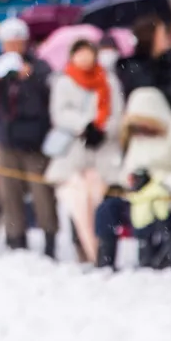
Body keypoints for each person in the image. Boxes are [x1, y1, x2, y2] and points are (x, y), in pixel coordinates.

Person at [0, 18, 58, 257]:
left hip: (35, 139)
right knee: (8, 192)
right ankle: (15, 238)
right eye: (8, 44)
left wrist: (30, 78)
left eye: (17, 43)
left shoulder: (40, 66)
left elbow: (49, 96)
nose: (12, 48)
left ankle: (49, 238)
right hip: (4, 138)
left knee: (42, 192)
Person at [93, 87, 171, 270]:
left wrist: (158, 183)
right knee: (106, 210)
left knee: (150, 210)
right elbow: (127, 170)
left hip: (165, 200)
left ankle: (150, 260)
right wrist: (132, 179)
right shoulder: (137, 135)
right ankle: (105, 262)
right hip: (137, 198)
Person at [45, 39, 125, 265]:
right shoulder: (64, 82)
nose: (84, 58)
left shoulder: (108, 80)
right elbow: (59, 113)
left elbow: (118, 113)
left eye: (88, 53)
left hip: (104, 152)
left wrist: (102, 130)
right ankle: (81, 248)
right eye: (80, 54)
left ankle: (104, 253)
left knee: (102, 203)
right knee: (76, 203)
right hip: (74, 154)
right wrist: (84, 126)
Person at [115, 15, 171, 114]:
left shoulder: (169, 60)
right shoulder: (134, 67)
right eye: (162, 34)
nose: (166, 38)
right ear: (151, 36)